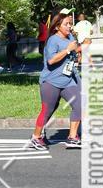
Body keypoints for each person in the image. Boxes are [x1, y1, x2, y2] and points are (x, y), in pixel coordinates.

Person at [30, 9, 89, 150]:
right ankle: (36, 137)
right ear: (57, 26)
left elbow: (73, 54)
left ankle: (72, 137)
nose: (70, 26)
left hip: (68, 79)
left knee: (80, 104)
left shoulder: (69, 38)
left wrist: (81, 48)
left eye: (70, 24)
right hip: (51, 81)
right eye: (66, 24)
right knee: (47, 110)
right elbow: (51, 61)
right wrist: (68, 50)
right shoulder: (52, 40)